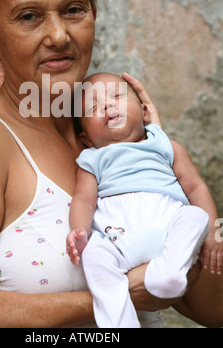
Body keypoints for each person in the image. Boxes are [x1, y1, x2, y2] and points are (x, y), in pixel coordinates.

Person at [0, 0, 222, 328]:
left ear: (94, 14)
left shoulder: (116, 138)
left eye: (73, 10)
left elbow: (212, 309)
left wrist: (159, 168)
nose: (59, 35)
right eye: (29, 16)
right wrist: (115, 295)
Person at [66, 72, 222, 327]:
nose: (107, 105)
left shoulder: (167, 146)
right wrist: (79, 230)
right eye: (93, 107)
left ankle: (169, 272)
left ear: (144, 110)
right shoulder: (92, 159)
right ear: (86, 138)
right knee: (94, 254)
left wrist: (214, 232)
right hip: (119, 237)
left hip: (168, 228)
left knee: (195, 215)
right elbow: (83, 200)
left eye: (117, 95)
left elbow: (196, 187)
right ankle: (120, 321)